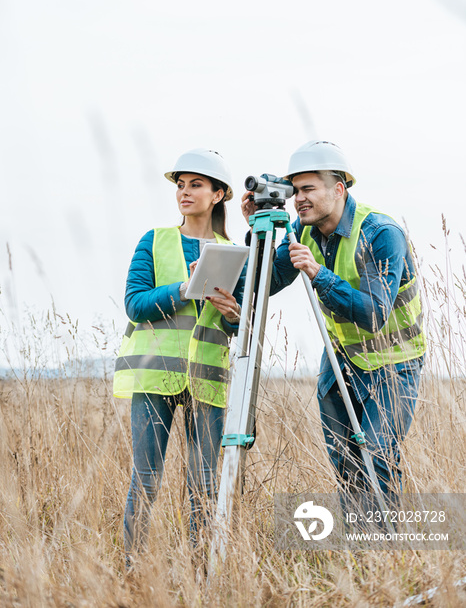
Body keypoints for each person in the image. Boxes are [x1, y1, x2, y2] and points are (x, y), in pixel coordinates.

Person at [242, 141, 426, 505]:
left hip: (394, 366)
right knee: (345, 463)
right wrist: (258, 232)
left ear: (338, 189)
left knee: (376, 457)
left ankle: (383, 555)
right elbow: (267, 282)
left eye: (308, 189)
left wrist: (318, 273)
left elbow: (374, 314)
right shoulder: (305, 229)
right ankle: (358, 557)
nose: (299, 199)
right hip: (341, 360)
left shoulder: (380, 233)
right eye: (296, 191)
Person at [114, 148, 245, 564]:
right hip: (153, 377)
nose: (184, 193)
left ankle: (200, 571)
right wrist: (182, 290)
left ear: (218, 194)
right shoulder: (154, 241)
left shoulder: (233, 251)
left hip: (206, 381)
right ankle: (131, 570)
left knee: (203, 486)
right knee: (146, 480)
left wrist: (232, 315)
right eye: (181, 185)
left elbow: (237, 324)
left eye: (196, 185)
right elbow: (134, 304)